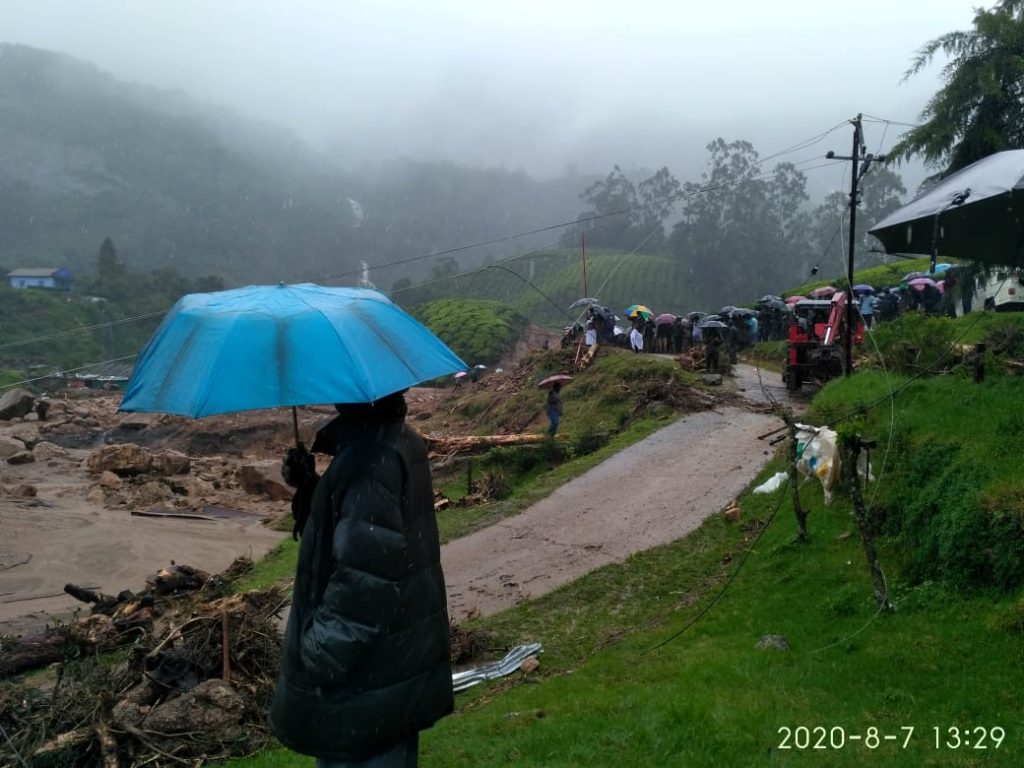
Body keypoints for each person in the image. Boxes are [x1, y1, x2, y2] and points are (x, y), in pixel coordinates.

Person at [270, 390, 453, 768]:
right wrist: (311, 485)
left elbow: (364, 577)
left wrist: (320, 650)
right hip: (392, 665)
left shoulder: (370, 460)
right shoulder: (397, 439)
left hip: (365, 682)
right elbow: (350, 536)